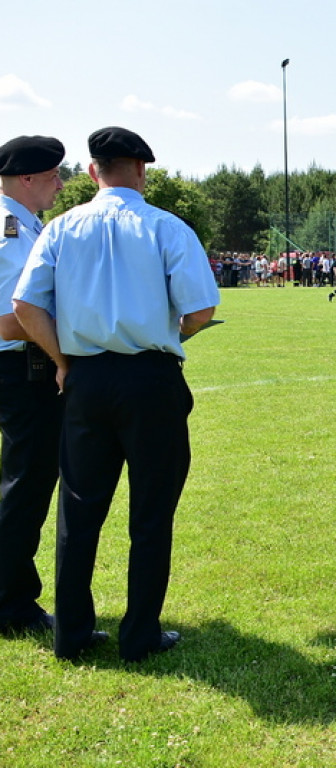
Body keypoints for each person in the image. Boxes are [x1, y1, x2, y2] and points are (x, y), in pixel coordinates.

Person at [13, 126, 220, 662]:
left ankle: (73, 634)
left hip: (84, 380)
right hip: (150, 379)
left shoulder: (59, 228)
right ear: (143, 171)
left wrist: (62, 362)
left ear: (91, 172)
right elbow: (200, 311)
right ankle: (139, 634)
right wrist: (169, 335)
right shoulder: (166, 227)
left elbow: (26, 307)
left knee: (78, 513)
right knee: (151, 513)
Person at [0, 135, 65, 636]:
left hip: (21, 367)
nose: (60, 184)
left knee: (22, 483)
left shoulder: (24, 225)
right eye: (52, 176)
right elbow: (8, 320)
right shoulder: (11, 231)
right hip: (21, 371)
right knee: (26, 485)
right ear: (27, 178)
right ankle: (11, 604)